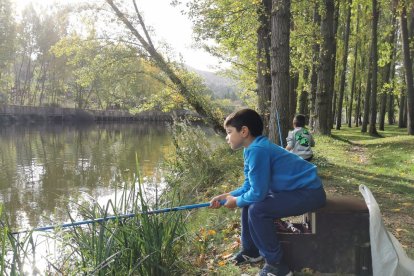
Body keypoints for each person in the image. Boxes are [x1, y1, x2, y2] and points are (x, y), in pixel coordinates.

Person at [210, 109, 326, 276]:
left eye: (229, 132)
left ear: (244, 131)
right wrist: (227, 195)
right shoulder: (250, 149)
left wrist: (235, 201)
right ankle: (251, 251)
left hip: (309, 192)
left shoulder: (258, 150)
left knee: (258, 209)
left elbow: (258, 193)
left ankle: (277, 265)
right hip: (296, 191)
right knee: (248, 202)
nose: (227, 138)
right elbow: (250, 186)